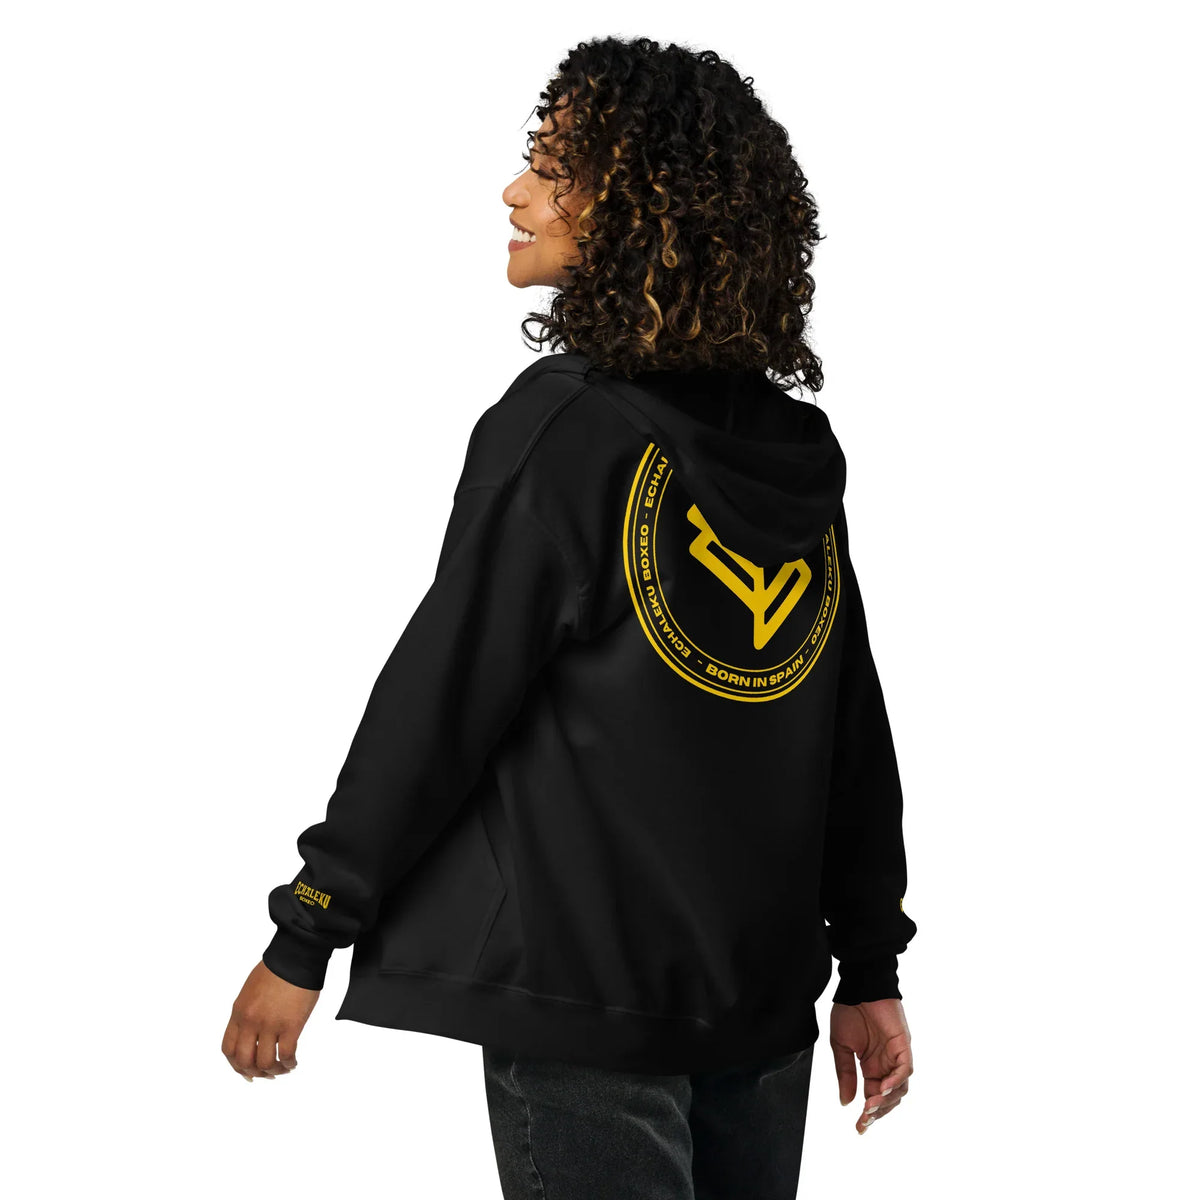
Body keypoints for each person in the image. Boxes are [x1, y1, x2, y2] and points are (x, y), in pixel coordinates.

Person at [222, 35, 917, 1200]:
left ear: (645, 206)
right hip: (760, 1003)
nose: (517, 191)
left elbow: (442, 698)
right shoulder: (794, 451)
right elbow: (849, 734)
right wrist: (868, 964)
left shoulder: (567, 432)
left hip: (587, 1006)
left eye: (558, 168)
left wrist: (307, 931)